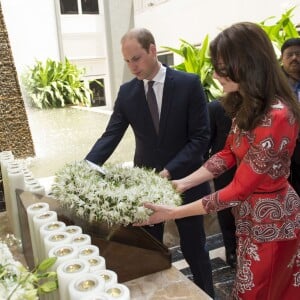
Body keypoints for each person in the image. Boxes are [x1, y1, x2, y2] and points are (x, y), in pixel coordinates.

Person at [135, 22, 300, 300]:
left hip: (273, 222)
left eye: (222, 67)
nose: (215, 74)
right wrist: (180, 183)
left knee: (259, 292)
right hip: (249, 217)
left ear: (246, 64)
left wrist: (172, 212)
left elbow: (238, 189)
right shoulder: (250, 103)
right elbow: (227, 154)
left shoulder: (277, 115)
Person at [85, 28, 215, 297]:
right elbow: (110, 135)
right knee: (148, 251)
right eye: (127, 61)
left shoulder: (189, 84)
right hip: (144, 188)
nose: (133, 67)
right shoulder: (127, 93)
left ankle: (207, 294)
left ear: (153, 50)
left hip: (187, 182)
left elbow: (201, 139)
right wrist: (84, 169)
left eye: (137, 58)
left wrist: (169, 171)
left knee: (194, 248)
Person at [207, 99, 237, 268]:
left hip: (250, 167)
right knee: (225, 212)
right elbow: (207, 140)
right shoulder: (216, 107)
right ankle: (231, 250)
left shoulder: (261, 105)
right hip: (224, 171)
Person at [281, 38, 300, 196]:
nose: (295, 58)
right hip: (285, 147)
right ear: (282, 58)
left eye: (298, 54)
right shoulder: (274, 83)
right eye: (290, 55)